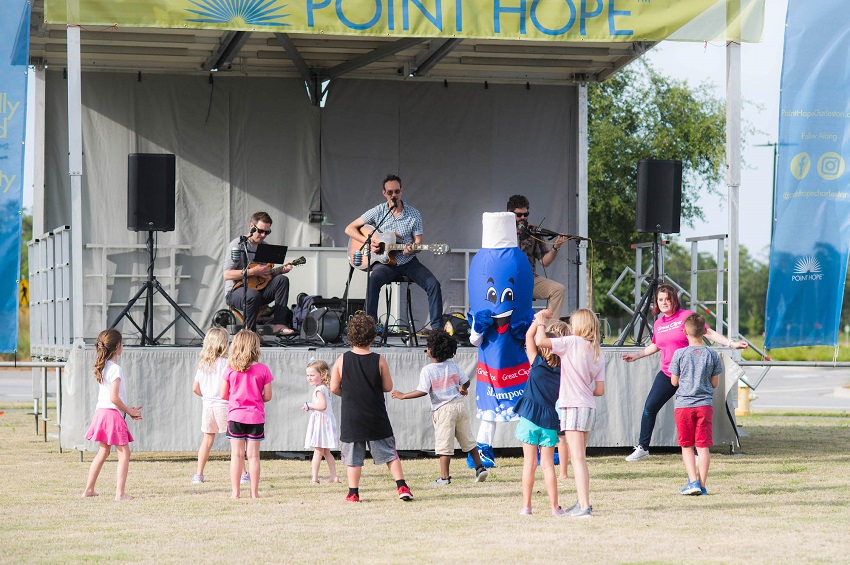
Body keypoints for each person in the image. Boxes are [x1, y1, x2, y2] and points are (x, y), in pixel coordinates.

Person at [622, 283, 747, 462]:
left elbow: (708, 333)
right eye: (660, 299)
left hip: (690, 375)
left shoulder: (686, 316)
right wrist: (636, 355)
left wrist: (731, 344)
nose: (664, 302)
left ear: (675, 300)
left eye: (668, 299)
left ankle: (697, 452)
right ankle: (643, 447)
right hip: (668, 373)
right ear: (656, 303)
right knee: (650, 408)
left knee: (693, 412)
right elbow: (656, 345)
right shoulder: (658, 324)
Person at [330, 314, 413, 503]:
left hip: (352, 417)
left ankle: (353, 492)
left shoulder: (342, 360)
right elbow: (388, 386)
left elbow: (334, 387)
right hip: (376, 415)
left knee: (353, 456)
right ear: (373, 337)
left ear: (349, 336)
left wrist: (349, 394)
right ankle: (401, 486)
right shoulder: (379, 359)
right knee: (389, 453)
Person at [391, 329, 489, 485]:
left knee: (444, 445)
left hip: (443, 410)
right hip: (459, 406)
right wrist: (463, 388)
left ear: (431, 351)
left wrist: (403, 395)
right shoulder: (453, 365)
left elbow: (422, 391)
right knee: (468, 440)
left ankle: (444, 478)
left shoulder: (428, 370)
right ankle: (480, 468)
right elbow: (466, 381)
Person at [344, 174, 443, 330]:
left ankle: (437, 329)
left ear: (401, 191)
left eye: (397, 191)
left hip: (408, 262)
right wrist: (369, 241)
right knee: (373, 280)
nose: (394, 195)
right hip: (385, 263)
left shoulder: (414, 214)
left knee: (433, 284)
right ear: (384, 193)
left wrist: (412, 248)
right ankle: (370, 328)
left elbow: (418, 242)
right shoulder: (378, 211)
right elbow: (349, 228)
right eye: (390, 192)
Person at [535, 309, 605, 519]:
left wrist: (540, 322)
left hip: (572, 406)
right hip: (588, 406)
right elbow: (600, 390)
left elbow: (541, 341)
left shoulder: (571, 342)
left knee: (578, 459)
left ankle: (584, 505)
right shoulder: (597, 352)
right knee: (579, 458)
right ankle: (582, 502)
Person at [515, 311, 571, 516]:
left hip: (529, 418)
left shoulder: (536, 363)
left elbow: (529, 337)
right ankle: (555, 507)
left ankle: (526, 506)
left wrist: (539, 321)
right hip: (549, 419)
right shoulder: (564, 370)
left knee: (529, 465)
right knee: (548, 466)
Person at [82, 329, 142, 501]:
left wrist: (127, 409)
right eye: (122, 343)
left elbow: (113, 397)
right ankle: (120, 493)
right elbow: (114, 398)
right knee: (124, 452)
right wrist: (129, 411)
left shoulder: (103, 366)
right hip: (111, 414)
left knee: (103, 451)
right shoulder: (116, 369)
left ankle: (89, 489)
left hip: (101, 412)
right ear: (117, 347)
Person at [669, 314, 722, 496]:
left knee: (686, 445)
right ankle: (703, 484)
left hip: (684, 405)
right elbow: (715, 383)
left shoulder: (679, 354)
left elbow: (674, 382)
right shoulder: (713, 354)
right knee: (703, 446)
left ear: (684, 332)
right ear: (705, 332)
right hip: (705, 405)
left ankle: (692, 482)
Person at [222, 211, 296, 335]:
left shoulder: (265, 247)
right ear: (252, 227)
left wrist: (280, 271)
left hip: (258, 290)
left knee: (282, 280)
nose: (263, 235)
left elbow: (263, 277)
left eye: (267, 232)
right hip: (235, 291)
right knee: (253, 295)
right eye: (260, 231)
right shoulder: (238, 244)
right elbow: (227, 275)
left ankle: (279, 324)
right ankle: (250, 333)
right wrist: (252, 271)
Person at [220, 329, 274, 499]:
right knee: (254, 456)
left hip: (236, 416)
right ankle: (254, 493)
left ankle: (235, 493)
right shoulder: (263, 370)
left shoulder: (230, 370)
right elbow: (268, 396)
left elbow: (223, 394)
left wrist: (237, 398)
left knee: (236, 455)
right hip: (255, 417)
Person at [507, 194, 568, 321]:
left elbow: (544, 261)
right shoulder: (502, 232)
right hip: (506, 280)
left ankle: (547, 331)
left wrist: (556, 247)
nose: (523, 218)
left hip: (529, 279)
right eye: (519, 215)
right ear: (509, 213)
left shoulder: (533, 232)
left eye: (525, 214)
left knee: (558, 289)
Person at [191, 327, 230, 484]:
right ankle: (243, 473)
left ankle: (199, 474)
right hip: (225, 405)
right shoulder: (227, 364)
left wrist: (207, 396)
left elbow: (195, 388)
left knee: (207, 440)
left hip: (208, 406)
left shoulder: (204, 365)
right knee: (235, 440)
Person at [302, 359, 340, 484]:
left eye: (312, 375)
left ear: (322, 375)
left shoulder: (319, 390)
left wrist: (309, 404)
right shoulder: (325, 388)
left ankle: (314, 478)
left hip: (321, 423)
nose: (309, 378)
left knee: (318, 451)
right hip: (326, 421)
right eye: (308, 375)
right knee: (326, 451)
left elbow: (322, 406)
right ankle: (333, 476)